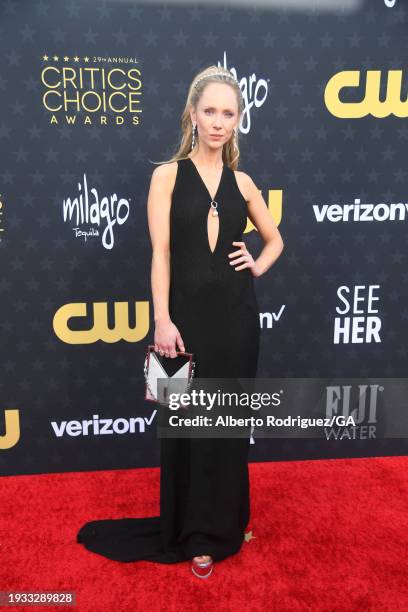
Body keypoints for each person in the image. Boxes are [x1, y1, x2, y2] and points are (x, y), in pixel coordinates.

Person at [76, 65, 284, 578]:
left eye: (228, 113)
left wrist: (257, 262)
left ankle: (223, 527)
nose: (218, 122)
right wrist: (161, 320)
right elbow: (161, 254)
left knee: (227, 428)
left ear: (238, 120)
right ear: (193, 114)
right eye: (209, 111)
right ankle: (189, 529)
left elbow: (275, 239)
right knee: (185, 426)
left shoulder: (244, 181)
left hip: (237, 321)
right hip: (183, 322)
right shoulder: (165, 176)